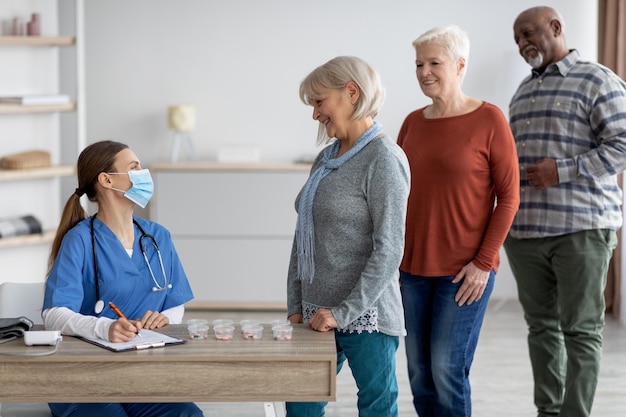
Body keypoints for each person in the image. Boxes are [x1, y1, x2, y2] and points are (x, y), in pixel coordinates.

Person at [504, 6, 626, 417]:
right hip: (524, 235)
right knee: (541, 329)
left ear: (556, 28)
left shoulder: (597, 79)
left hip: (582, 230)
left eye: (528, 34)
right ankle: (549, 412)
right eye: (518, 39)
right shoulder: (521, 92)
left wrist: (564, 170)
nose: (523, 44)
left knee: (581, 331)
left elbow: (623, 144)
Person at [397, 25, 520, 417]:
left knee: (447, 371)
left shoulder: (489, 120)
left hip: (465, 273)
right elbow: (397, 191)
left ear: (460, 65)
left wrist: (484, 263)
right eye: (419, 64)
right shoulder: (412, 123)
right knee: (419, 374)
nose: (424, 72)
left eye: (435, 62)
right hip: (412, 269)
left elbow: (510, 197)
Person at [286, 55, 410, 417]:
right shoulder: (325, 158)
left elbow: (390, 249)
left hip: (366, 315)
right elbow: (304, 234)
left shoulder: (384, 159)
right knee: (301, 407)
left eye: (319, 101)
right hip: (314, 314)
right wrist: (295, 302)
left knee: (377, 408)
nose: (315, 114)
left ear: (351, 93)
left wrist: (343, 312)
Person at [42, 140, 203, 417]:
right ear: (106, 180)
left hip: (139, 374)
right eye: (134, 167)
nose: (143, 174)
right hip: (81, 377)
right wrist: (105, 328)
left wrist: (167, 318)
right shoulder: (79, 240)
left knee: (187, 414)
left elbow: (175, 300)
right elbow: (53, 314)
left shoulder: (157, 236)